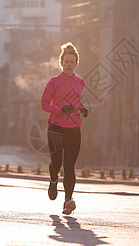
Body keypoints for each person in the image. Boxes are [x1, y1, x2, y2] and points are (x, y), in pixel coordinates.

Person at [41, 42, 88, 215]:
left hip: (74, 127)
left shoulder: (80, 82)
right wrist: (60, 109)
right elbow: (44, 104)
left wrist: (82, 108)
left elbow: (76, 100)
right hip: (55, 127)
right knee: (57, 163)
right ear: (61, 63)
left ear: (76, 64)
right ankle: (53, 180)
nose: (69, 64)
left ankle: (68, 200)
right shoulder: (54, 82)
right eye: (66, 61)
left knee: (70, 166)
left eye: (72, 62)